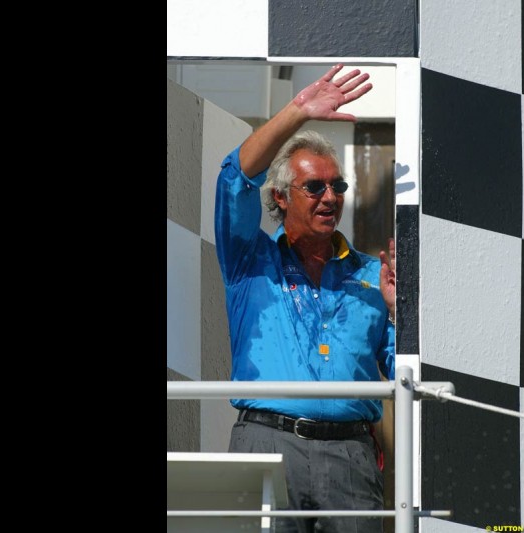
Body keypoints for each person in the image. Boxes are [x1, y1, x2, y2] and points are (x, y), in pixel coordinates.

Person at [214, 64, 395, 533]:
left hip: (351, 456)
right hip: (266, 442)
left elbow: (405, 370)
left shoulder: (375, 276)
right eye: (314, 187)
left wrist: (399, 311)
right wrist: (298, 110)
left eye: (339, 186)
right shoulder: (248, 260)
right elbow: (235, 176)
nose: (329, 196)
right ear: (280, 197)